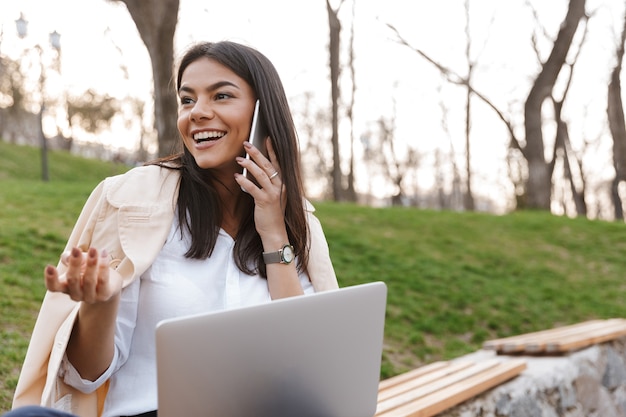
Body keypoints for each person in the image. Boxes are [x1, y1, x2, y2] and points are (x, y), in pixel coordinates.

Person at [6, 40, 338, 417]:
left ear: (263, 112)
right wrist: (101, 305)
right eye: (187, 100)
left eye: (221, 96)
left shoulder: (300, 224)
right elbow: (85, 376)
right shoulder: (134, 201)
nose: (197, 113)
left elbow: (304, 370)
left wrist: (274, 233)